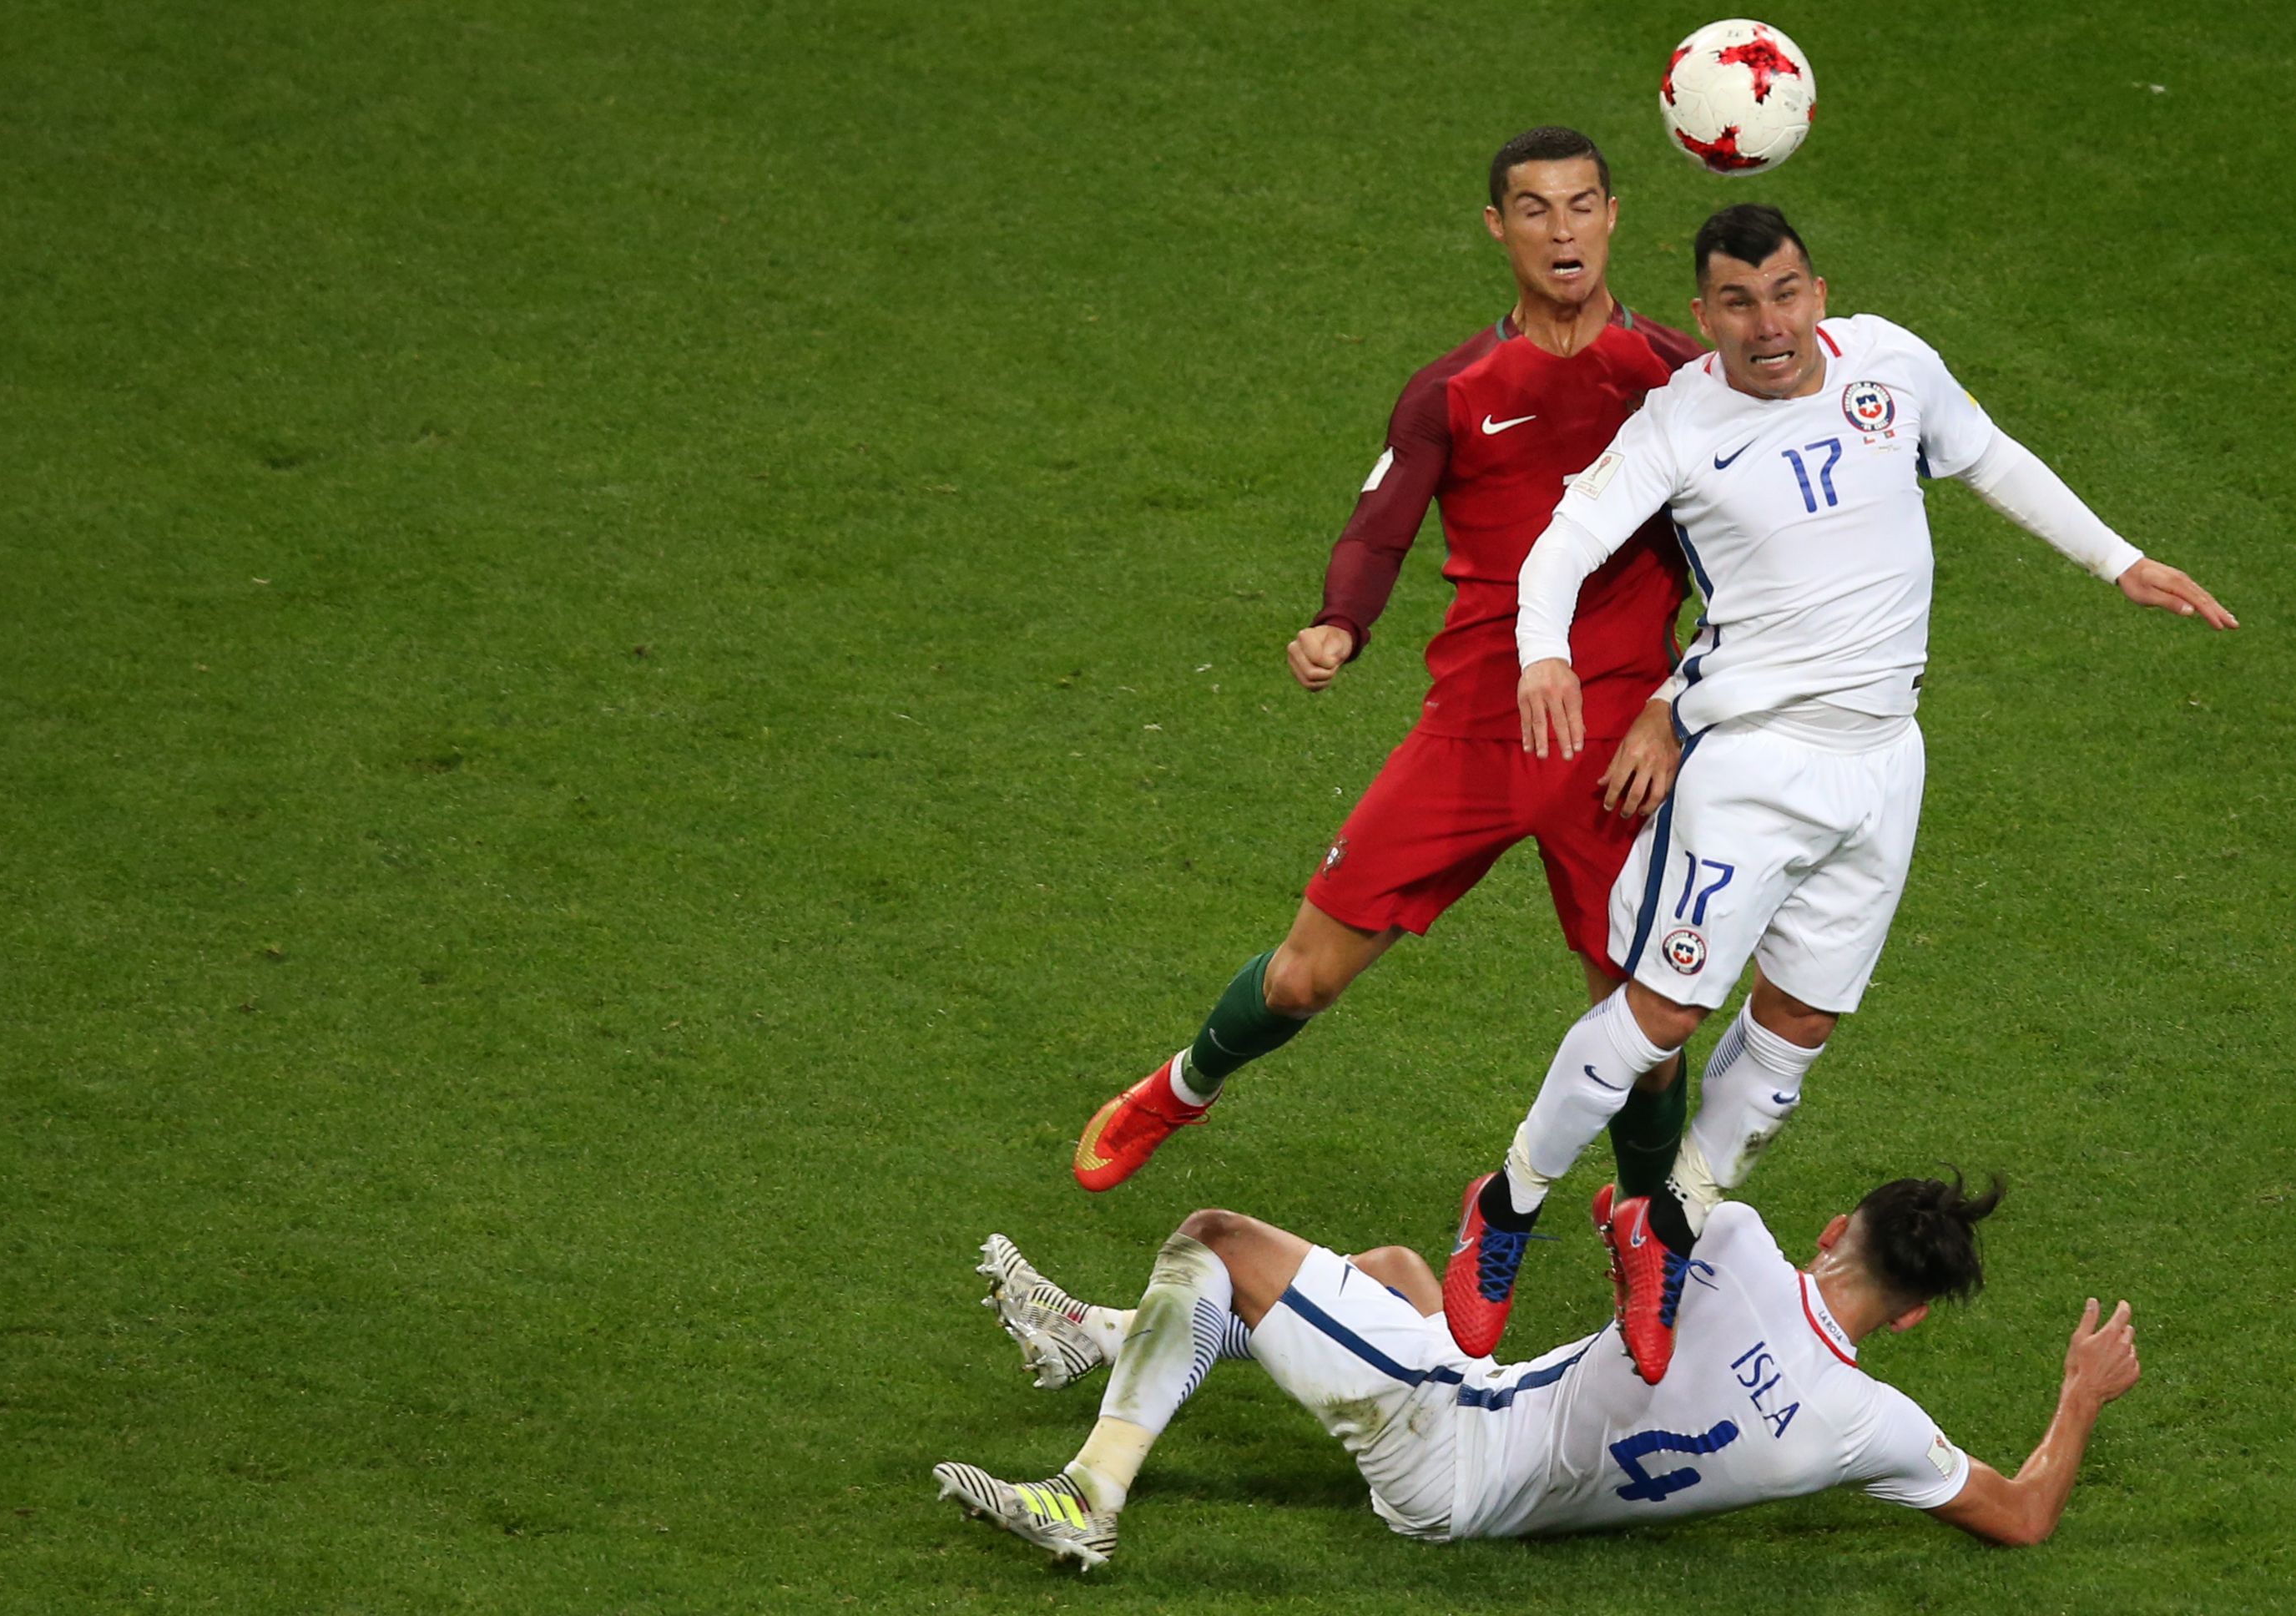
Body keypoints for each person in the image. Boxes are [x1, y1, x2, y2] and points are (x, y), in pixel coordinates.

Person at [1441, 203, 2236, 1379]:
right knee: (1661, 1014)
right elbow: (1563, 537)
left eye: (1784, 293)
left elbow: (1989, 454)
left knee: (1797, 1025)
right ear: (1702, 312)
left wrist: (2114, 560)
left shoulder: (1892, 366)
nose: (1767, 325)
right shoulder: (1678, 423)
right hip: (1750, 763)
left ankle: (1658, 1230)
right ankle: (1502, 1209)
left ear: (1815, 290)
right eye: (1736, 303)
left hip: (1881, 764)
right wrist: (1541, 652)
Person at [1075, 126, 1703, 1199]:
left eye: (1583, 204)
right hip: (1473, 728)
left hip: (1615, 746)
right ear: (1496, 227)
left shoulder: (1675, 384)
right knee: (1304, 973)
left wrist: (1675, 710)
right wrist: (1338, 622)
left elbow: (1747, 576)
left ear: (1612, 216)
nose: (1564, 230)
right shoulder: (1452, 388)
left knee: (1643, 1019)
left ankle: (1646, 1227)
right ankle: (1181, 1086)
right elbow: (1379, 528)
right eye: (1536, 209)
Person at [934, 1172, 2139, 1568]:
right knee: (1399, 1273)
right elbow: (2023, 1515)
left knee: (1216, 1242)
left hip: (1454, 1440)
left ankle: (1086, 1497)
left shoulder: (1732, 1243)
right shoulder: (1870, 1426)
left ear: (1835, 1232)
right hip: (1500, 1483)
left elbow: (1632, 1195)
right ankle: (1091, 1336)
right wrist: (2077, 1395)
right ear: (1915, 1318)